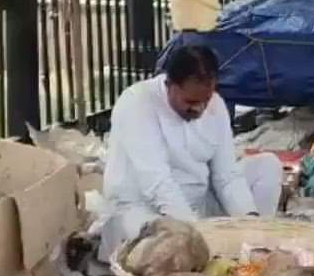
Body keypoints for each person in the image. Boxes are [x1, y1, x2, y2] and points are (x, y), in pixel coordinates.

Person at [98, 45, 282, 259]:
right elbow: (157, 183)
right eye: (191, 102)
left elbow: (227, 176)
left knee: (268, 166)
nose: (200, 109)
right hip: (145, 210)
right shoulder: (137, 102)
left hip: (199, 206)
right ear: (169, 85)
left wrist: (249, 223)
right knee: (164, 252)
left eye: (206, 100)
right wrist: (200, 236)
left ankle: (253, 250)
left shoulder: (216, 105)